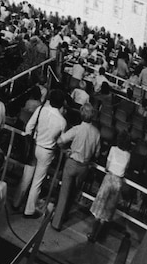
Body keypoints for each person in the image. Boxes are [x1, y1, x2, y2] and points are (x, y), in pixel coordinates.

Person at [16, 89, 67, 218]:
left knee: (26, 176)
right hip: (47, 151)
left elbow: (29, 127)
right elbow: (61, 141)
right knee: (37, 181)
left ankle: (16, 202)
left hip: (34, 145)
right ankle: (28, 210)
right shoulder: (62, 122)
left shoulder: (40, 110)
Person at [53, 103, 100, 231]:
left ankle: (57, 223)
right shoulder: (97, 133)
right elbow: (96, 153)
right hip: (84, 167)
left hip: (72, 162)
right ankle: (65, 215)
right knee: (73, 193)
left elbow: (60, 141)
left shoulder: (77, 129)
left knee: (64, 193)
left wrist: (66, 150)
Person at [87, 131, 131, 243]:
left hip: (109, 179)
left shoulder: (113, 149)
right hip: (118, 183)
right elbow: (125, 171)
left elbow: (107, 166)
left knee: (100, 207)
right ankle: (97, 235)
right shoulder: (128, 155)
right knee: (107, 210)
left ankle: (92, 234)